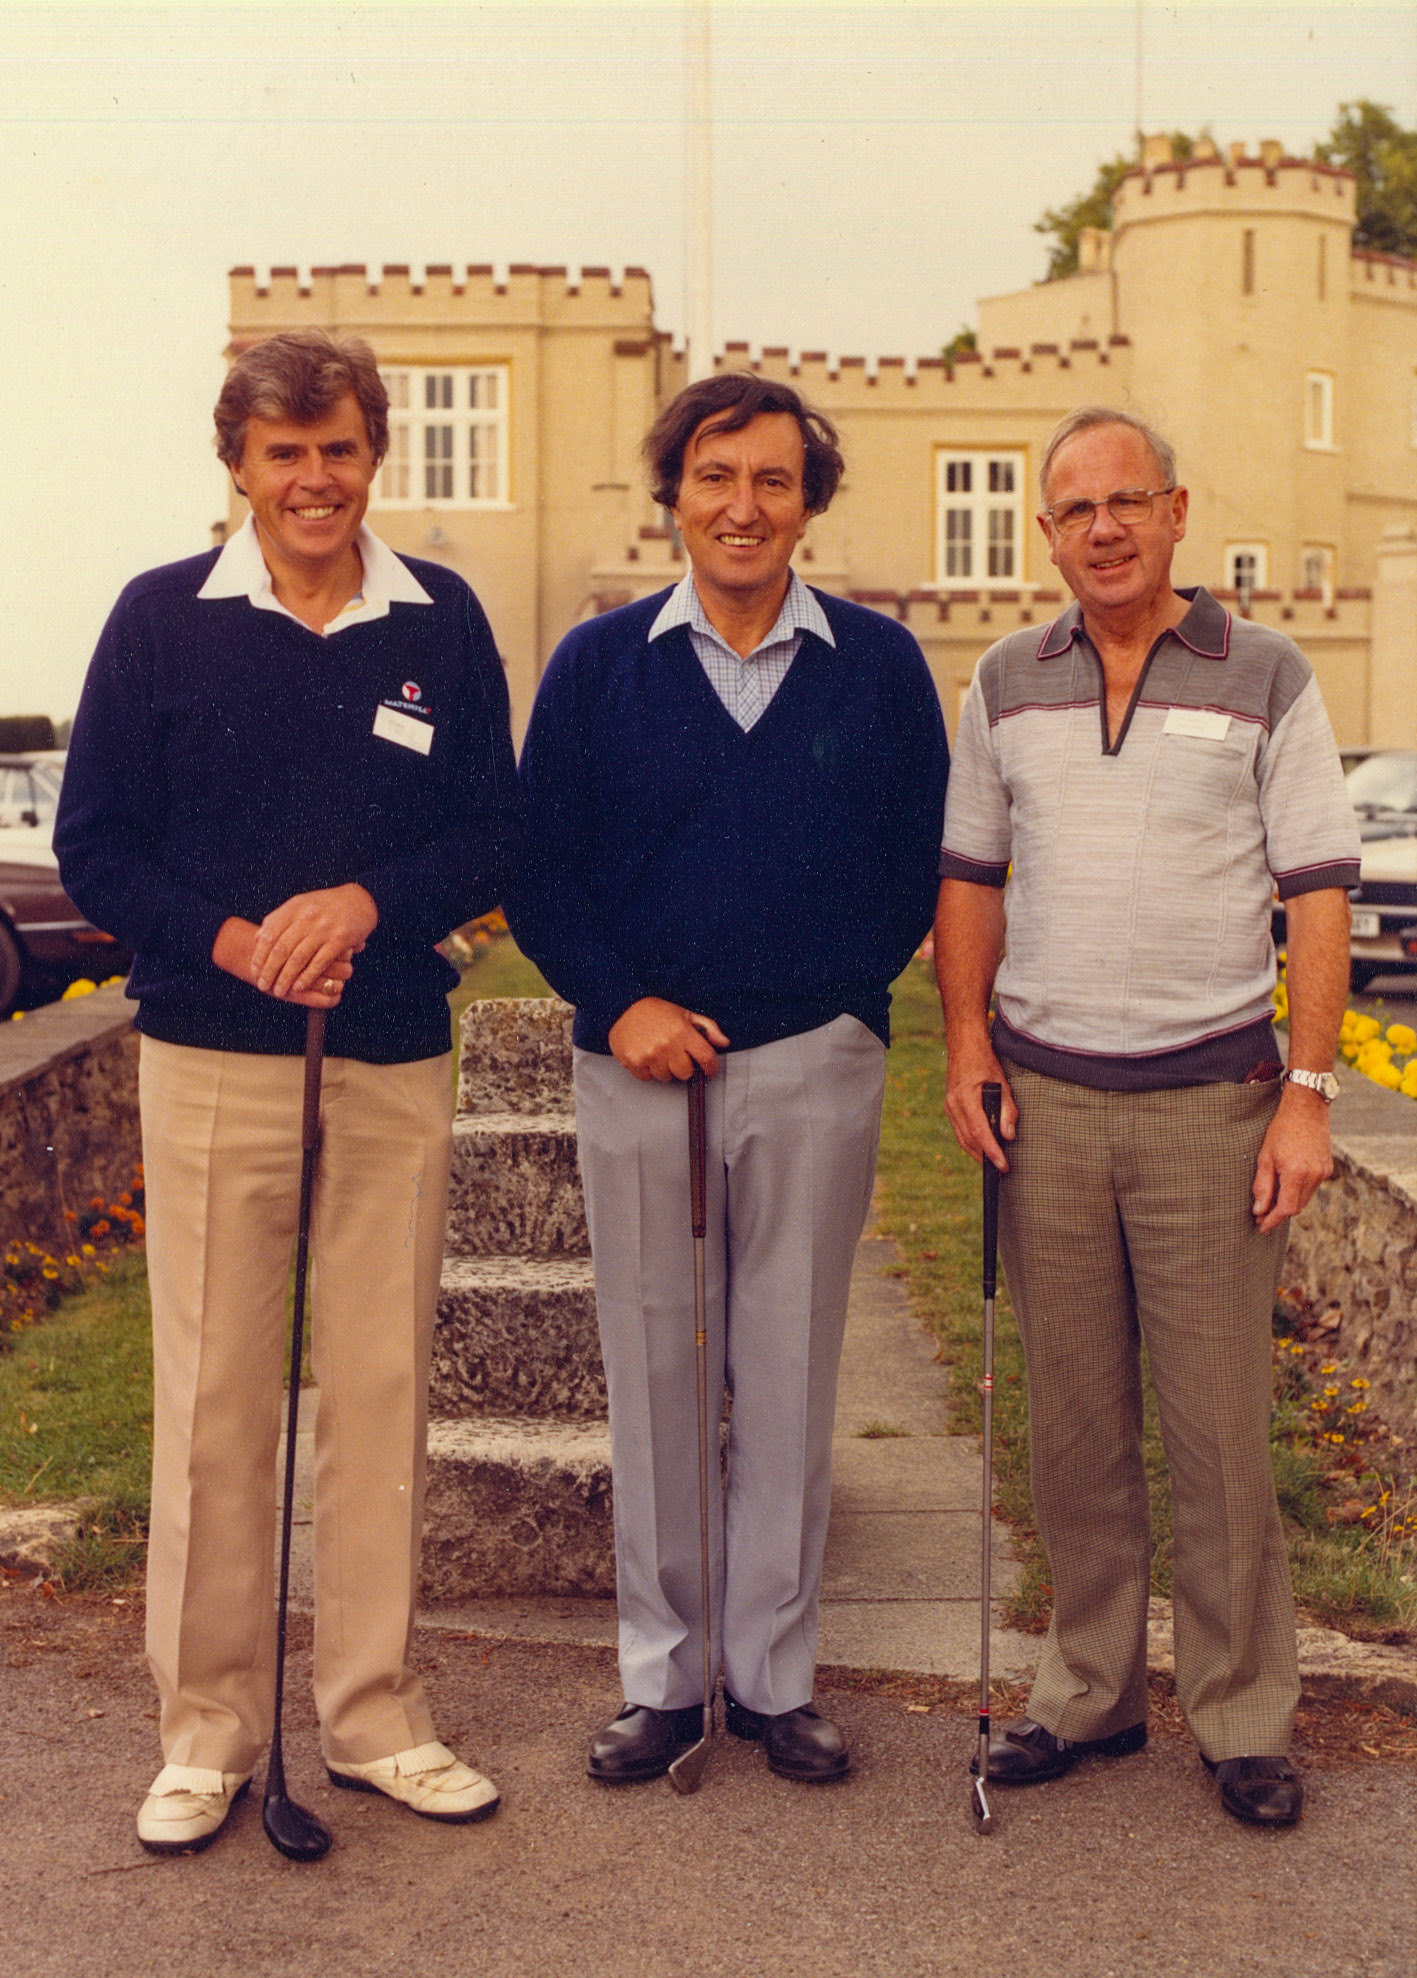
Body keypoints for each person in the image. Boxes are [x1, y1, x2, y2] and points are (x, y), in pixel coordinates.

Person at [55, 330, 522, 1854]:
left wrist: (365, 904)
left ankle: (376, 1713)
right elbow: (99, 849)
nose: (313, 480)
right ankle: (206, 1730)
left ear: (372, 454)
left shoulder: (437, 618)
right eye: (283, 454)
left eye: (337, 450)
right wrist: (242, 936)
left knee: (379, 1385)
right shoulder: (158, 621)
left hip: (386, 1052)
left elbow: (485, 832)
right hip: (211, 1054)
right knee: (212, 1403)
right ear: (238, 466)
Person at [507, 373, 947, 1784]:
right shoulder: (595, 664)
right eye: (714, 476)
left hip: (813, 1061)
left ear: (808, 500)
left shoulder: (876, 667)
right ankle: (662, 1676)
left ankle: (770, 1679)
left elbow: (907, 869)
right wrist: (621, 1000)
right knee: (652, 1371)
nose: (741, 504)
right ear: (673, 497)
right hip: (640, 1069)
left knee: (789, 1364)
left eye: (771, 479)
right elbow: (541, 870)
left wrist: (824, 1013)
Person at [936, 406, 1359, 1827]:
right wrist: (961, 1043)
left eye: (1128, 501)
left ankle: (1241, 1714)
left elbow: (1313, 893)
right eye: (1074, 510)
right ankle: (1088, 1693)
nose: (1102, 528)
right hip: (1047, 1103)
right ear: (1043, 534)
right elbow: (971, 880)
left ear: (1176, 512)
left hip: (1213, 1106)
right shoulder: (1002, 679)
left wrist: (1306, 1096)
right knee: (1072, 1429)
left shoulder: (1268, 673)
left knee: (1219, 1432)